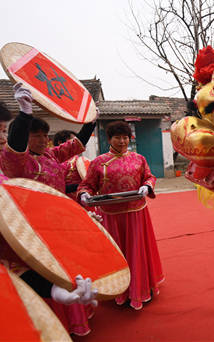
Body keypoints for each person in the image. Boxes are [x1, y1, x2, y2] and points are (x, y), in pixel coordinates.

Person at [0, 88, 97, 316]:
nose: (3, 139)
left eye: (4, 130)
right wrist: (24, 116)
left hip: (41, 259)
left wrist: (76, 219)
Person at [0, 83, 98, 336]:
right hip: (33, 228)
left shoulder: (51, 155)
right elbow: (15, 145)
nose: (43, 140)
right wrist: (24, 116)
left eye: (45, 136)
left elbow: (77, 144)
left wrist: (91, 120)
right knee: (46, 275)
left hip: (59, 224)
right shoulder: (16, 161)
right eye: (36, 136)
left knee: (66, 270)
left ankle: (77, 319)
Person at [78, 121, 164, 311]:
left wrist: (147, 186)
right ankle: (120, 291)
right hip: (111, 215)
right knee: (119, 254)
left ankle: (140, 288)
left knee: (137, 250)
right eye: (117, 137)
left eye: (125, 137)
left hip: (136, 213)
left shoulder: (139, 158)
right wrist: (84, 194)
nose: (122, 141)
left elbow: (149, 176)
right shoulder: (98, 162)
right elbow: (87, 185)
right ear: (109, 139)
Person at [53, 129, 83, 199]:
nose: (76, 145)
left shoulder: (79, 160)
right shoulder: (52, 160)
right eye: (72, 141)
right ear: (60, 143)